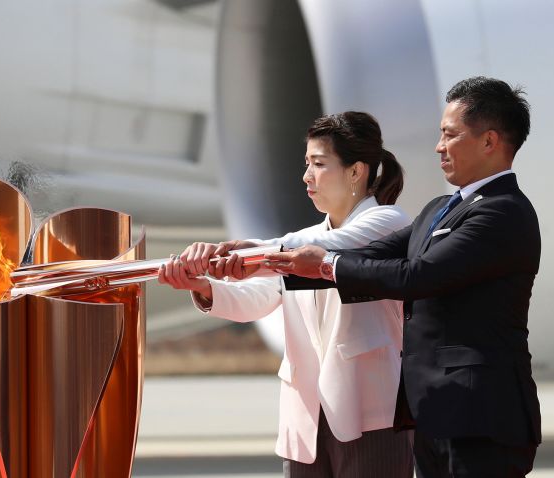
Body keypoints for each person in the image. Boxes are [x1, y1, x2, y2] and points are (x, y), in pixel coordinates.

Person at [261, 77, 542, 477]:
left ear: (489, 141)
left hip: (483, 416)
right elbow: (371, 255)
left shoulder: (502, 212)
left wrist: (324, 265)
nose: (438, 146)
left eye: (449, 135)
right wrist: (276, 262)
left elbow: (419, 276)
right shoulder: (439, 209)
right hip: (433, 414)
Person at [159, 112, 414, 477]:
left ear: (356, 171)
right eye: (306, 164)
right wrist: (202, 285)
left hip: (371, 413)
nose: (306, 176)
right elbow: (258, 298)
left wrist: (246, 251)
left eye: (318, 164)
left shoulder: (389, 223)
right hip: (305, 417)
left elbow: (329, 247)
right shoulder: (298, 239)